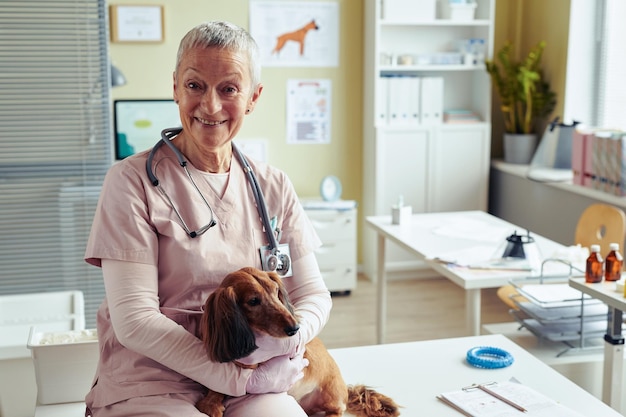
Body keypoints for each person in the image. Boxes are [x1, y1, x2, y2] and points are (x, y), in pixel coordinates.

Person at [84, 21, 332, 416]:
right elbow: (134, 319)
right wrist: (239, 378)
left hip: (251, 372)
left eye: (229, 89)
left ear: (253, 97)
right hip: (154, 378)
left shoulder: (273, 186)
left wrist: (284, 342)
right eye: (195, 85)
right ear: (176, 88)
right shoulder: (131, 182)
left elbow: (312, 294)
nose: (211, 106)